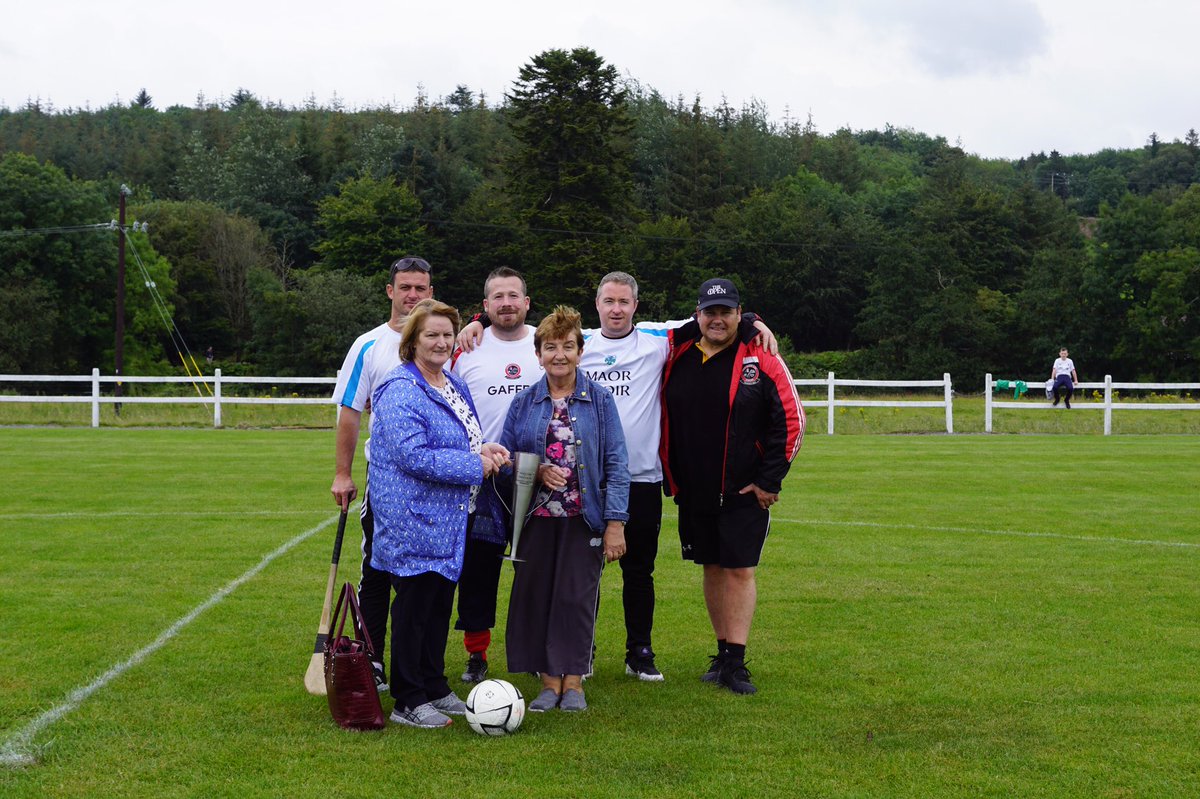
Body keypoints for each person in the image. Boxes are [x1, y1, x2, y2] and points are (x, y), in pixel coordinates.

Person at [581, 272, 777, 682]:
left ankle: (640, 653)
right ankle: (581, 651)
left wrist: (754, 320)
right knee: (584, 571)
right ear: (596, 304)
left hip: (643, 479)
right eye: (608, 301)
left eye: (624, 301)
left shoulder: (659, 341)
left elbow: (717, 319)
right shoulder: (578, 343)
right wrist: (477, 320)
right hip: (587, 481)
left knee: (639, 571)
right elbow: (521, 331)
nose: (616, 309)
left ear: (637, 305)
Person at [369, 299, 510, 728]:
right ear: (412, 340)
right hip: (413, 518)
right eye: (431, 334)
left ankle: (434, 684)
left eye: (447, 334)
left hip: (451, 516)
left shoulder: (450, 382)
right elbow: (412, 455)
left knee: (437, 605)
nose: (441, 342)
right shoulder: (399, 389)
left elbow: (464, 436)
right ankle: (407, 698)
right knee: (414, 608)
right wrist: (474, 465)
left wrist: (482, 449)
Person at [660, 278, 805, 695]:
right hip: (693, 489)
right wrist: (481, 320)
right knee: (711, 566)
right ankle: (721, 653)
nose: (718, 319)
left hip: (743, 490)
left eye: (727, 312)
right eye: (710, 311)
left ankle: (737, 664)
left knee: (740, 569)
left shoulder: (761, 356)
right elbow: (621, 329)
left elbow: (791, 422)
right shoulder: (678, 351)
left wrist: (768, 480)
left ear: (739, 314)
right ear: (697, 315)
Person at [499, 305, 630, 713]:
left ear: (580, 351)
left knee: (575, 598)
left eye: (568, 346)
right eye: (550, 347)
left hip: (583, 518)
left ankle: (573, 682)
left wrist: (615, 524)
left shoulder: (601, 400)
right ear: (538, 354)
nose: (559, 354)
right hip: (536, 519)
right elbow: (504, 461)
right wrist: (535, 470)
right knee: (537, 596)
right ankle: (547, 681)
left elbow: (617, 464)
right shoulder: (523, 403)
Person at [329, 255, 434, 692]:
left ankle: (425, 667)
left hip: (437, 483)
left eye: (421, 288)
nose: (413, 295)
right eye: (405, 287)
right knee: (378, 568)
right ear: (390, 291)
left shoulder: (444, 338)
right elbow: (350, 412)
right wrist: (342, 474)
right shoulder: (369, 345)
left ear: (431, 291)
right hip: (387, 483)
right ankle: (372, 658)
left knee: (430, 577)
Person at [449, 267, 543, 683]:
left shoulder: (547, 342)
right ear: (484, 307)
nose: (506, 303)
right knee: (479, 571)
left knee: (536, 570)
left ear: (527, 302)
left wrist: (752, 319)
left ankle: (540, 649)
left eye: (514, 295)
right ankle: (477, 656)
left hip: (539, 478)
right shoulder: (464, 348)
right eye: (497, 297)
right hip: (482, 478)